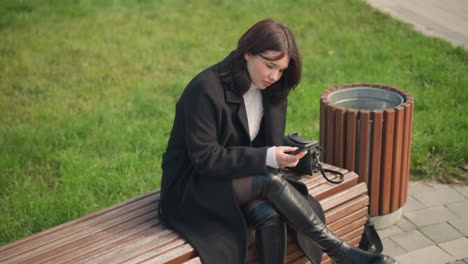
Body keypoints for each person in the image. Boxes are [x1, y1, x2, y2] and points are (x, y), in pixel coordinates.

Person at [159, 19, 395, 264]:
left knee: (269, 214)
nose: (274, 75)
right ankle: (341, 253)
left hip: (236, 179)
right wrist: (269, 156)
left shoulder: (271, 89)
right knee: (269, 182)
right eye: (270, 65)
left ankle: (344, 255)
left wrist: (285, 153)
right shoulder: (205, 89)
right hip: (191, 188)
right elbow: (206, 159)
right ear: (247, 52)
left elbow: (256, 142)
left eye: (281, 69)